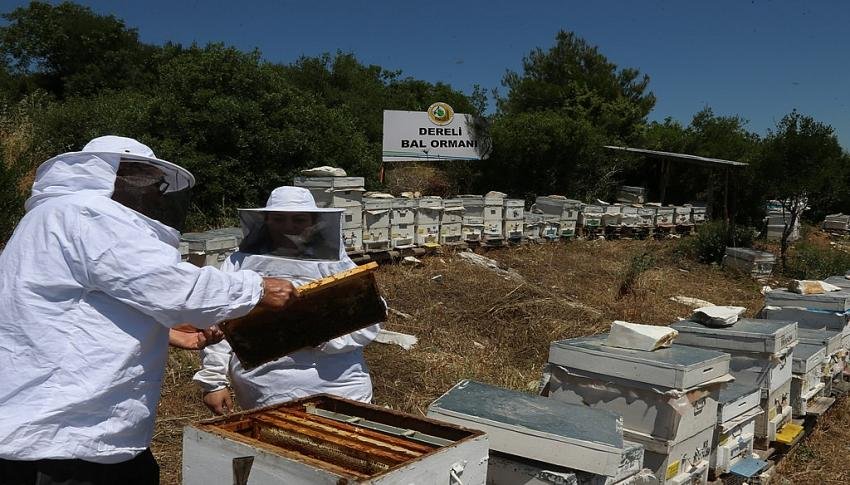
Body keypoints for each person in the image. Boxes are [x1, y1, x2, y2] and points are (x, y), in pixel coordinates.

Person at [0, 136, 297, 485]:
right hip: (67, 439)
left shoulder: (50, 216)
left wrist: (167, 331)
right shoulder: (88, 214)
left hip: (60, 429)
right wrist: (258, 288)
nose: (158, 196)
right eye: (154, 185)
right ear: (121, 176)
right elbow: (176, 287)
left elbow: (76, 309)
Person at [193, 186, 381, 415]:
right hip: (266, 386)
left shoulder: (336, 264)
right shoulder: (239, 263)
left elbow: (369, 321)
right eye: (279, 219)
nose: (288, 227)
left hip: (338, 382)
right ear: (266, 220)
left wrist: (317, 334)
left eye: (298, 219)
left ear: (313, 222)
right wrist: (213, 382)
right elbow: (218, 320)